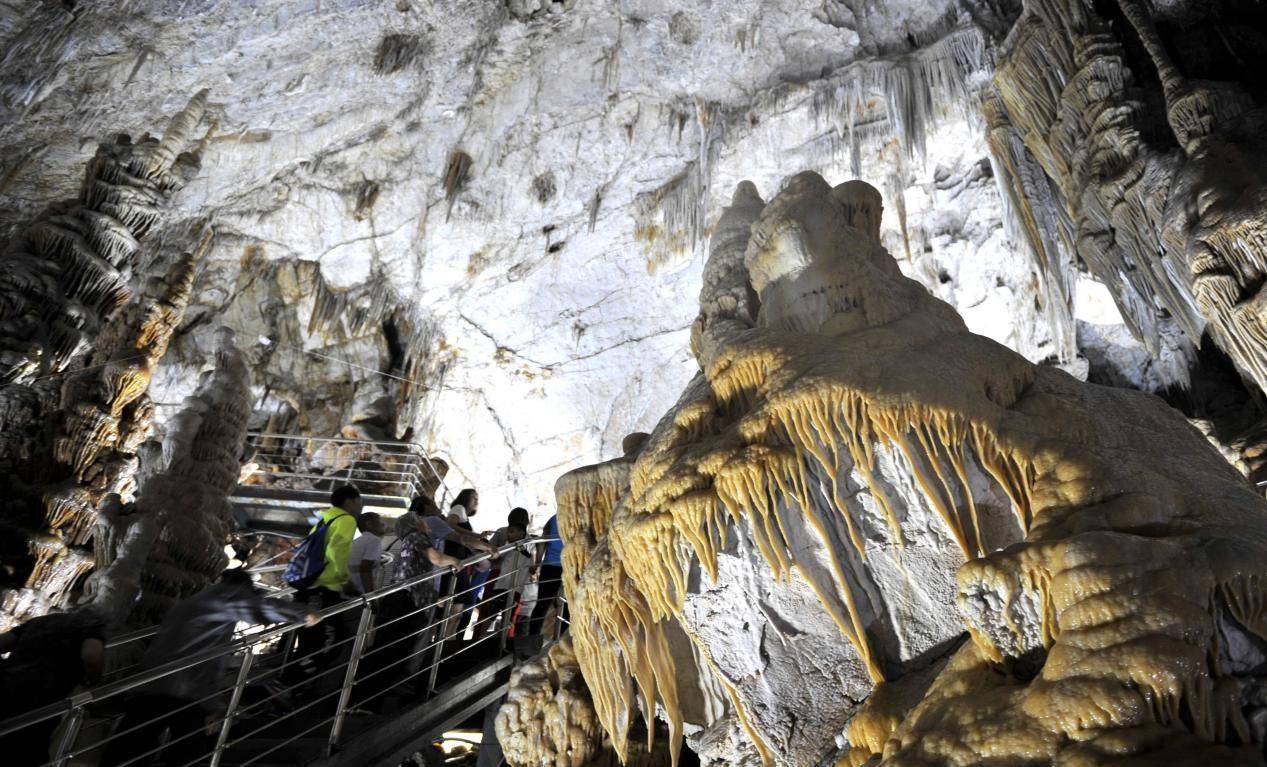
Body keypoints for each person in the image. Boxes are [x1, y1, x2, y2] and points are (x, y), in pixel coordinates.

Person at [101, 570, 317, 766]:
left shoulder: (192, 602)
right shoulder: (225, 596)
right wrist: (303, 613)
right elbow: (258, 607)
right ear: (241, 588)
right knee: (190, 751)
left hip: (152, 684)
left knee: (128, 749)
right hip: (184, 689)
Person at [353, 512, 461, 711]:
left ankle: (361, 700)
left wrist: (433, 599)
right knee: (392, 653)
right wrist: (454, 560)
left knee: (384, 650)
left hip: (398, 599)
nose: (426, 524)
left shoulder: (407, 543)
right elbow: (435, 558)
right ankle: (366, 701)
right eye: (421, 521)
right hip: (405, 603)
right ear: (415, 525)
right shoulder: (417, 537)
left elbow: (411, 575)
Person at [0, 609, 107, 766]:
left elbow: (3, 642)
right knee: (25, 748)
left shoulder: (39, 621)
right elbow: (92, 656)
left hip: (7, 683)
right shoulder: (90, 627)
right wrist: (93, 679)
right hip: (42, 697)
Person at [473, 507, 535, 638]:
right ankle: (504, 641)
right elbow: (531, 563)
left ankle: (477, 638)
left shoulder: (502, 531)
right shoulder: (529, 539)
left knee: (488, 610)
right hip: (516, 579)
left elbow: (488, 553)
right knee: (510, 613)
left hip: (497, 574)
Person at [529, 513, 566, 637]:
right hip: (568, 566)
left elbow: (542, 541)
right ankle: (560, 638)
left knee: (542, 604)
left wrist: (537, 563)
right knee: (566, 606)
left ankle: (531, 638)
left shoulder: (553, 519)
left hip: (551, 565)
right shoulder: (578, 513)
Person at [348, 512, 385, 595]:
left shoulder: (356, 541)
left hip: (353, 593)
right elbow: (365, 567)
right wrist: (371, 596)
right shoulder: (374, 540)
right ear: (369, 524)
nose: (383, 524)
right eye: (379, 521)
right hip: (362, 593)